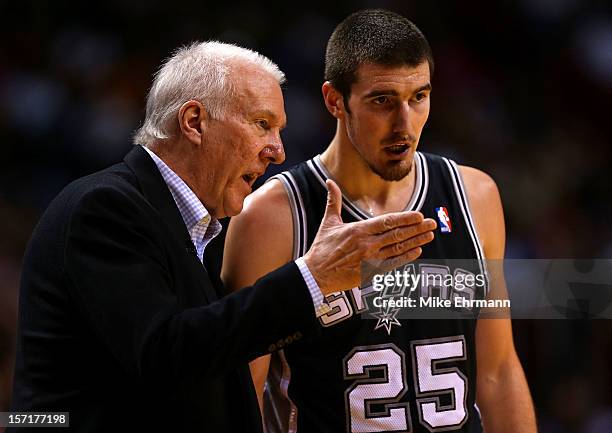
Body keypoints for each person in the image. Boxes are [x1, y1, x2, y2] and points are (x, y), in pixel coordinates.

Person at [9, 41, 437, 433]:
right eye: (262, 124)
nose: (278, 151)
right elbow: (165, 355)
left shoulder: (200, 232)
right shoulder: (105, 207)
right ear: (194, 122)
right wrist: (312, 277)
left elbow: (211, 358)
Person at [223, 10, 537, 433]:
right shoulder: (272, 217)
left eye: (419, 97)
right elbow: (241, 397)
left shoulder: (475, 197)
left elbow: (498, 372)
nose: (404, 125)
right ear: (335, 100)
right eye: (382, 101)